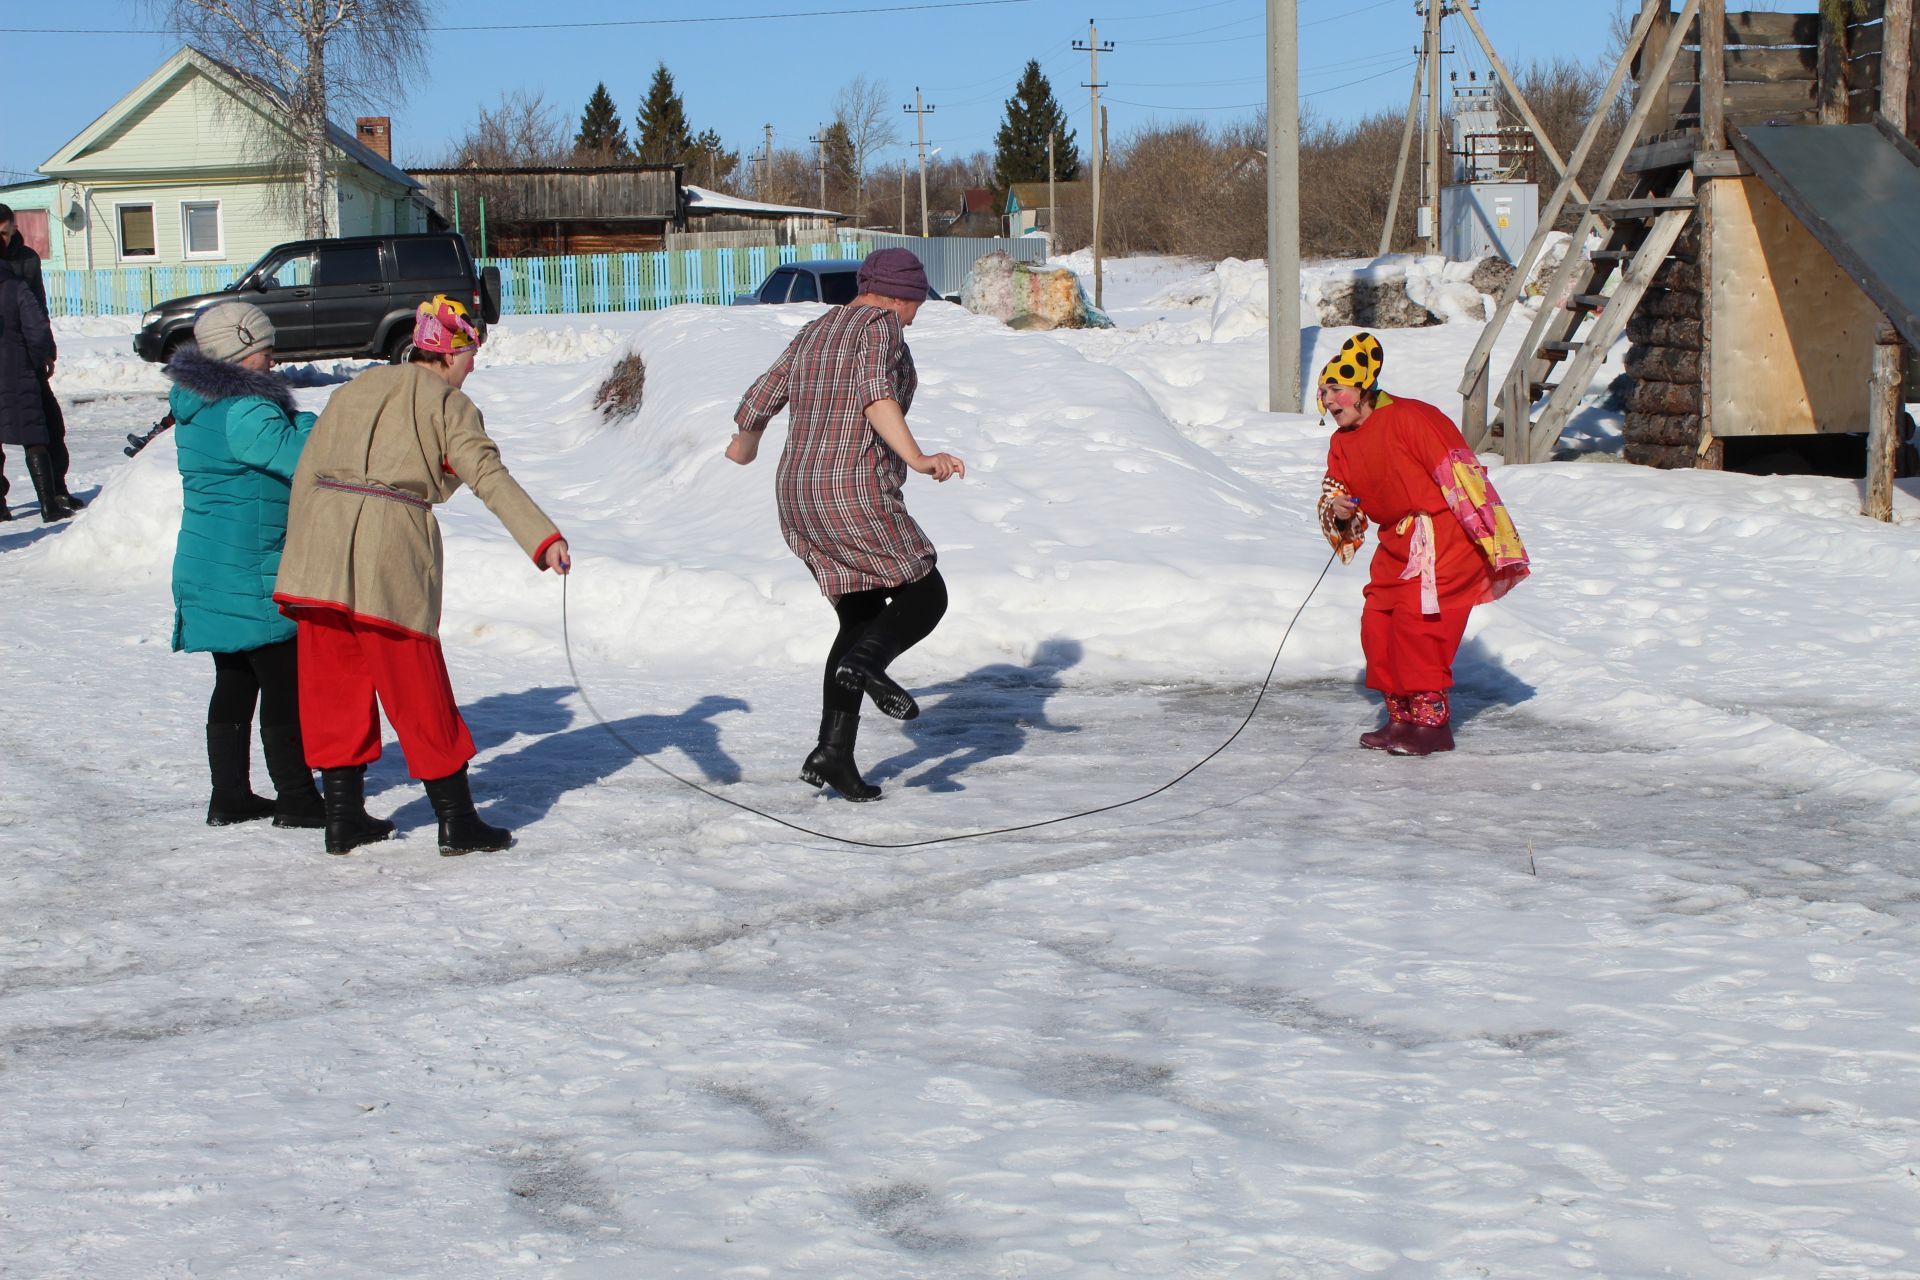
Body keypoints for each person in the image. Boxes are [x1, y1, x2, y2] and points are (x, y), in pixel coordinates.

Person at [274, 295, 571, 856]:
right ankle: (457, 821)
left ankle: (343, 819)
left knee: (331, 685)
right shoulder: (446, 404)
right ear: (448, 353)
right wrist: (543, 537)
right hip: (388, 550)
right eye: (470, 353)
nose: (473, 367)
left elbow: (307, 470)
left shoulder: (353, 389)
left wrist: (300, 552)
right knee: (417, 686)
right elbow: (487, 473)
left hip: (318, 550)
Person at [728, 247, 966, 802]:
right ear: (901, 295)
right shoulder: (881, 325)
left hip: (798, 495)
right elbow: (874, 395)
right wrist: (918, 458)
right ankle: (868, 666)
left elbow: (765, 390)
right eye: (916, 304)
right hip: (851, 487)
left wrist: (745, 443)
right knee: (925, 592)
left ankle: (833, 752)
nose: (914, 316)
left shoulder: (817, 326)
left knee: (859, 615)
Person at [1315, 332, 1529, 756]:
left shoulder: (1412, 418)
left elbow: (1460, 474)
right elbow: (1337, 490)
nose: (1327, 400)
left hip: (1444, 538)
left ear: (1361, 389)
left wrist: (1491, 537)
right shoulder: (1341, 442)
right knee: (1378, 625)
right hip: (1395, 542)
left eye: (1335, 390)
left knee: (1419, 628)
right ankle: (1402, 721)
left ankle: (1432, 726)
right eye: (1323, 393)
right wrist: (1339, 510)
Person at [167, 302, 326, 827]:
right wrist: (306, 419)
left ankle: (230, 795)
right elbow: (303, 456)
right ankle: (299, 800)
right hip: (251, 570)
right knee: (285, 684)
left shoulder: (195, 403)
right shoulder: (246, 410)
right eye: (263, 346)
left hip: (210, 563)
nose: (272, 355)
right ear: (238, 351)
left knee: (234, 681)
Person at [0, 203, 79, 519]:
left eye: (8, 232)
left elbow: (39, 312)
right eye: (0, 234)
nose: (5, 239)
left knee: (48, 425)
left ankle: (57, 491)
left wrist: (46, 352)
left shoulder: (26, 260)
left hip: (24, 358)